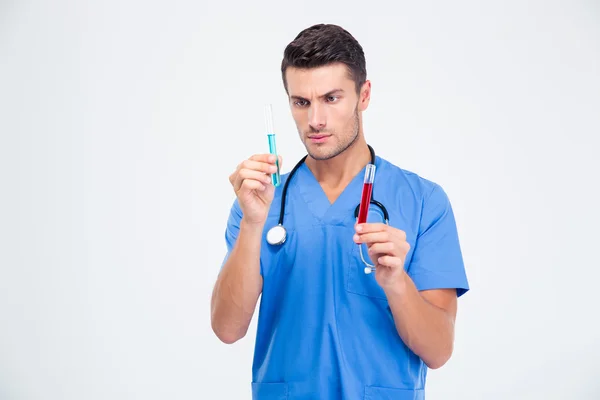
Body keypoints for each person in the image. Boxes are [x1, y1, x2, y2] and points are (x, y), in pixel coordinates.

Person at [210, 23, 470, 400]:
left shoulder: (423, 201)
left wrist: (397, 282)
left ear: (364, 95)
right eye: (301, 102)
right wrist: (252, 224)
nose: (315, 120)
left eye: (331, 98)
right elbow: (227, 329)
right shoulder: (261, 201)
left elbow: (439, 350)